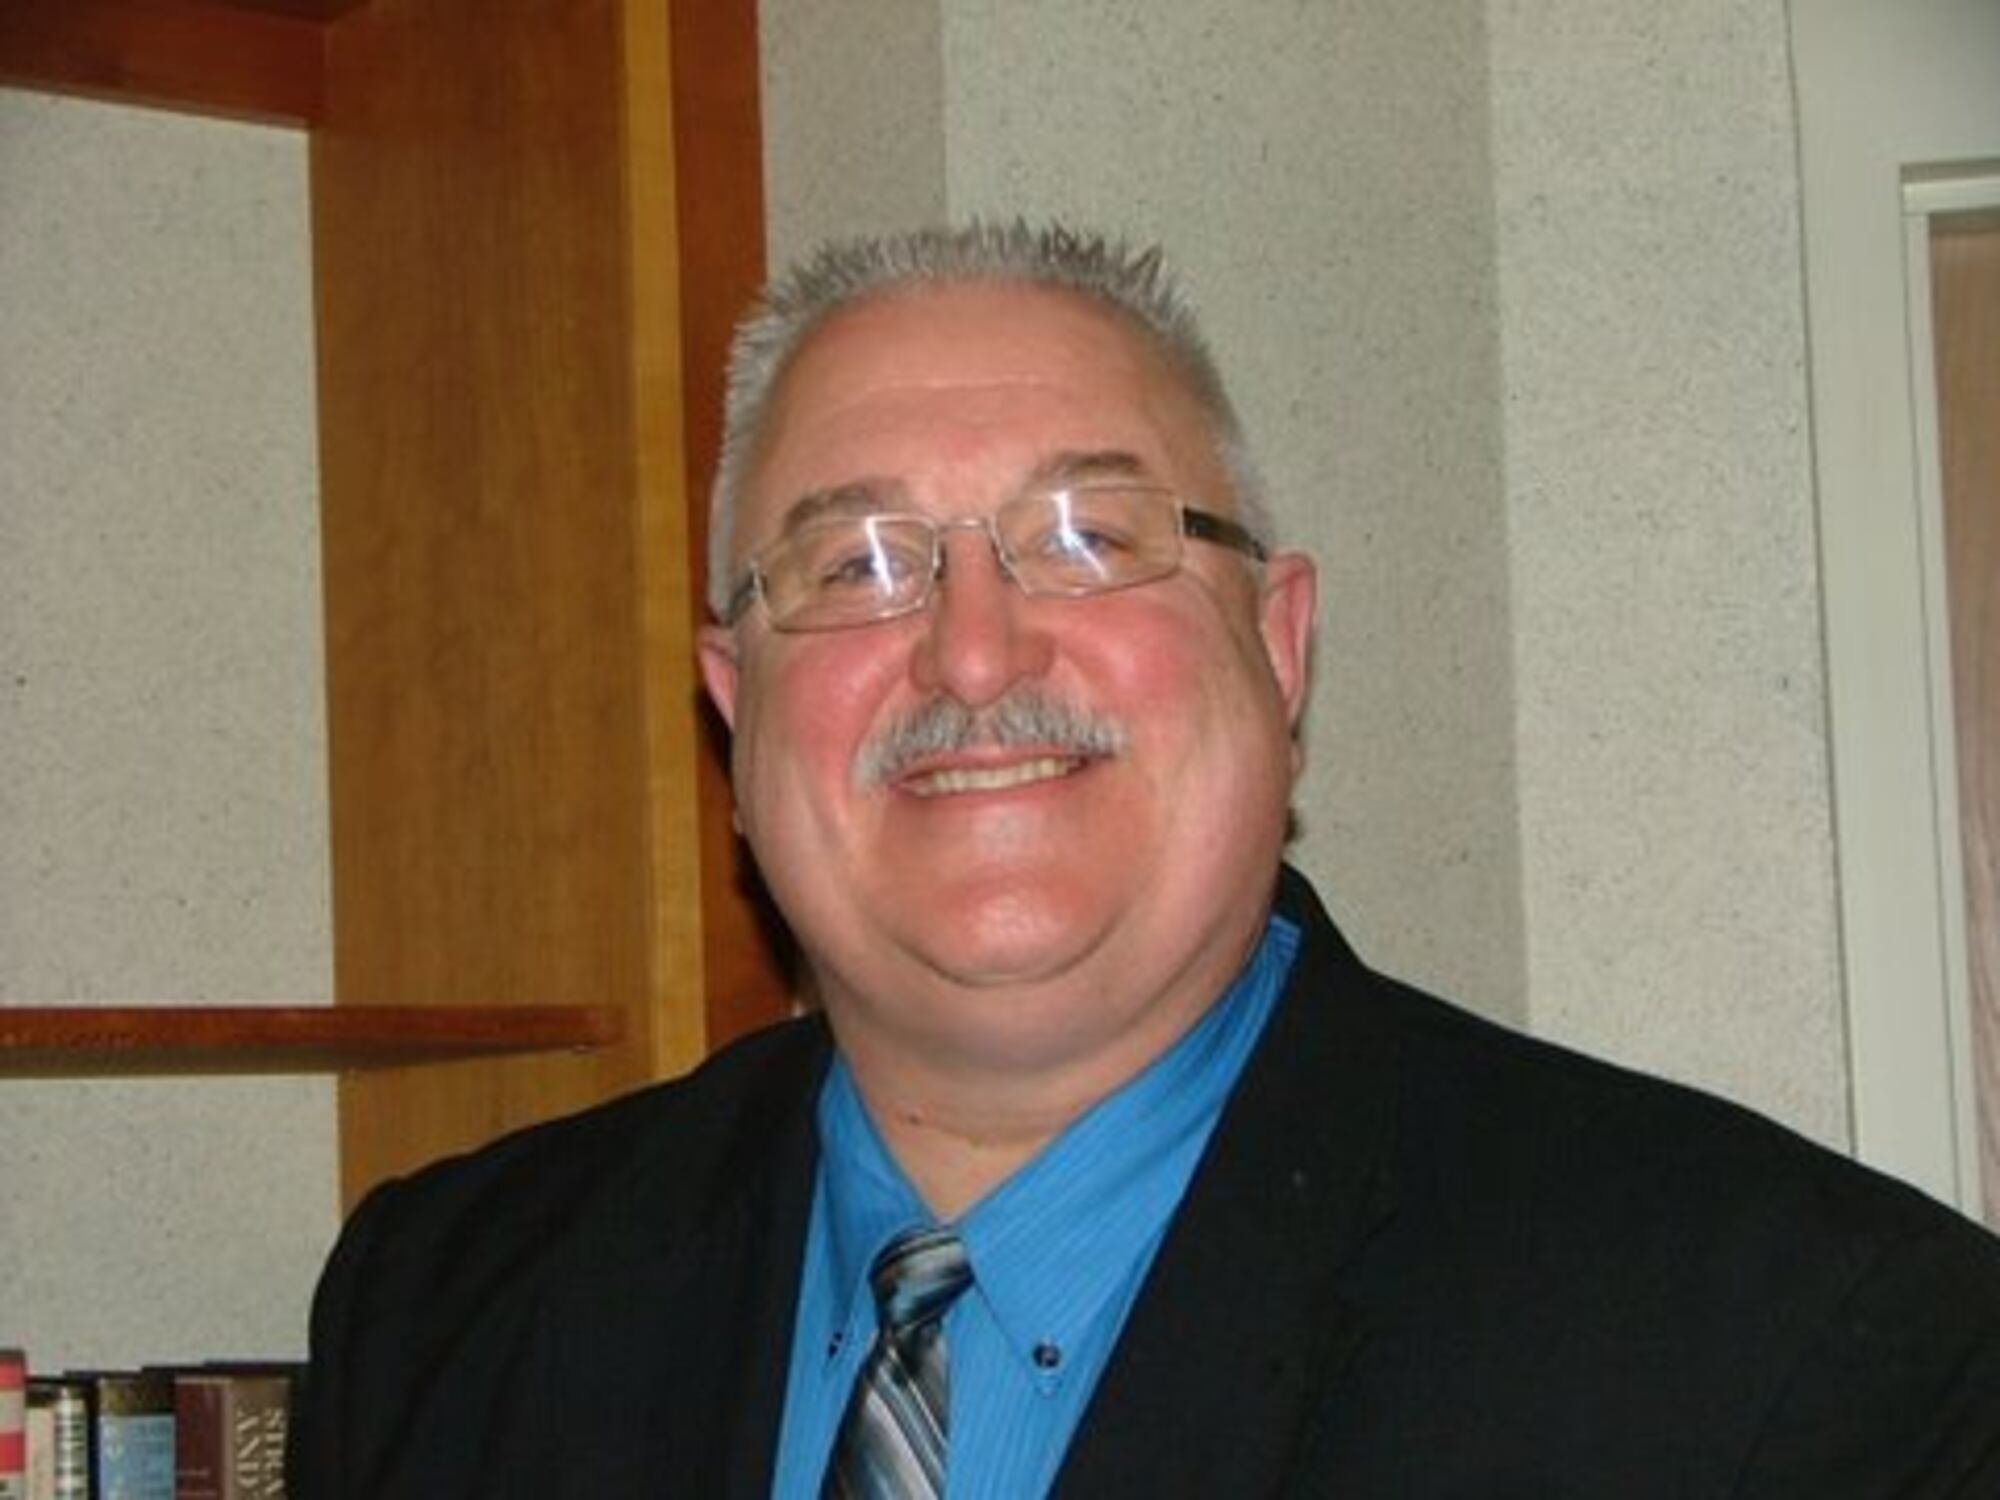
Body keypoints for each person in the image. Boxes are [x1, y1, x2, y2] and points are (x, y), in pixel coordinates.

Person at [292, 222, 2000, 1497]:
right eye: (860, 563)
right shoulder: (445, 1310)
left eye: (1088, 537)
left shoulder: (1800, 1355)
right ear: (737, 711)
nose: (973, 653)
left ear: (1281, 645)